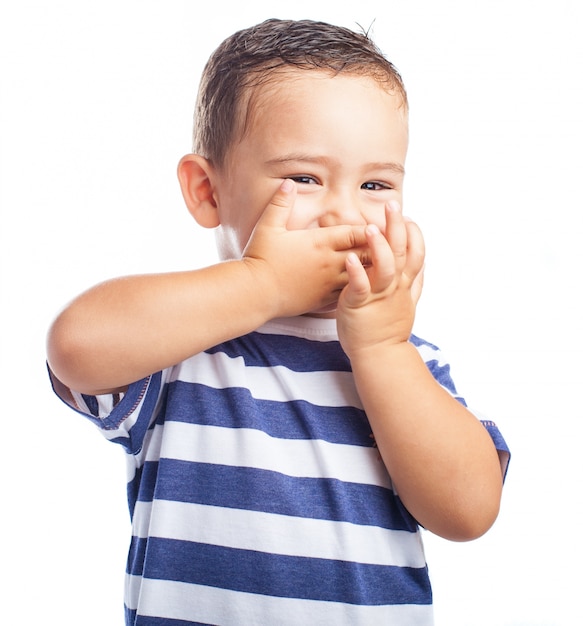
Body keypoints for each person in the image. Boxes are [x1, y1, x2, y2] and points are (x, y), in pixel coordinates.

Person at [47, 18, 510, 626]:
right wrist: (261, 283)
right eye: (304, 178)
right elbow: (75, 345)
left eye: (375, 183)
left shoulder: (408, 361)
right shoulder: (183, 348)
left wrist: (381, 349)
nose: (344, 210)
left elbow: (470, 512)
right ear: (208, 192)